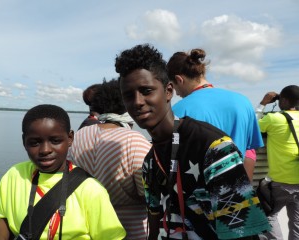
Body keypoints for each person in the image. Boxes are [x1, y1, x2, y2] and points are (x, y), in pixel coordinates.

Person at [115, 43, 270, 239]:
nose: (137, 102)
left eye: (146, 91)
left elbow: (242, 230)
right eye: (128, 96)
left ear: (169, 91)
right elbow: (154, 222)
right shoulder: (150, 161)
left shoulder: (213, 147)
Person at [0, 104, 126, 240]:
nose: (45, 150)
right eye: (35, 142)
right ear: (24, 142)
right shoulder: (14, 175)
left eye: (55, 141)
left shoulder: (91, 190)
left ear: (70, 138)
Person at [68, 79, 151, 239]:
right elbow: (148, 196)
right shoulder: (134, 141)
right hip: (131, 231)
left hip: (87, 228)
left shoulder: (78, 136)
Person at [166, 49, 264, 182]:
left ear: (179, 79)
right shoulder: (244, 102)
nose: (177, 93)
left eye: (174, 87)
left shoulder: (177, 110)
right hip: (237, 191)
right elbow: (250, 153)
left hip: (198, 195)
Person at [257, 85, 299, 240]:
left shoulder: (274, 118)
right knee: (297, 222)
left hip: (280, 181)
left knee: (267, 216)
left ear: (285, 100)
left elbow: (251, 127)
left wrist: (263, 103)